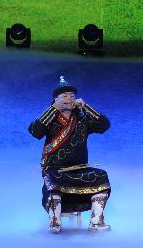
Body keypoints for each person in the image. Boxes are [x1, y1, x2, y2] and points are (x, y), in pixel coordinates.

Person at [28, 76, 111, 233]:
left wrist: (86, 107)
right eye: (64, 96)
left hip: (80, 169)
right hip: (55, 169)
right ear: (56, 99)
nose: (69, 99)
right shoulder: (50, 118)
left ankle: (96, 222)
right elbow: (35, 131)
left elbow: (104, 125)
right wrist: (53, 109)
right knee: (52, 180)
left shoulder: (82, 117)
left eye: (72, 96)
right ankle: (55, 222)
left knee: (101, 176)